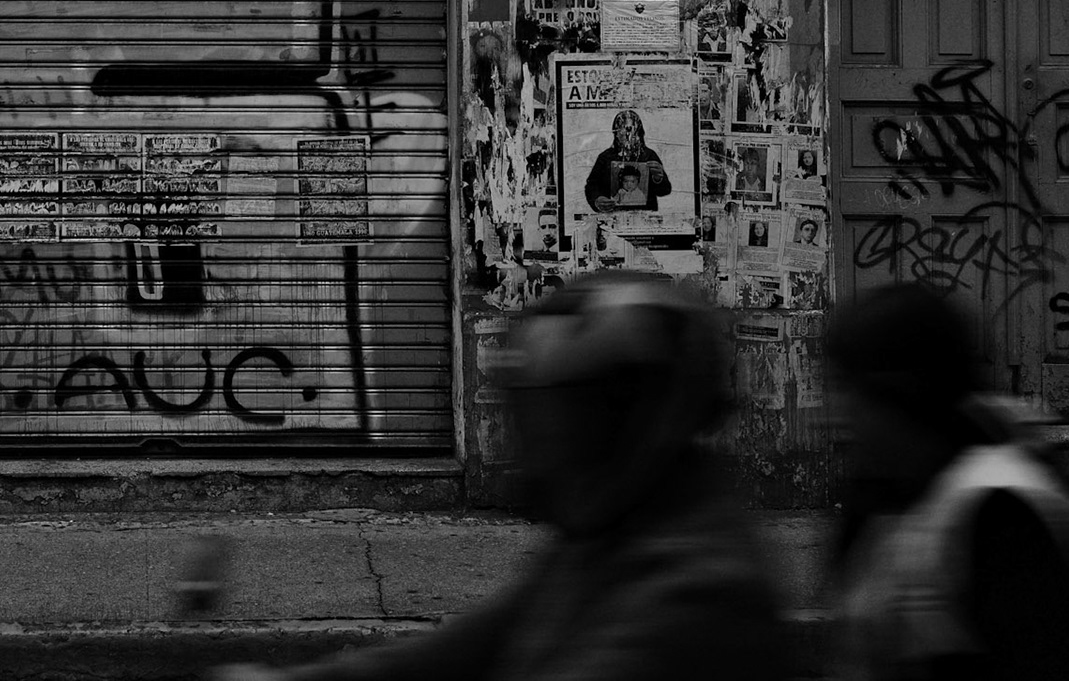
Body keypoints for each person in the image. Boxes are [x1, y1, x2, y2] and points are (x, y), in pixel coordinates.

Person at [211, 273, 785, 681]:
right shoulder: (604, 541)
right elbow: (465, 648)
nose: (548, 450)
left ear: (644, 421)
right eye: (538, 418)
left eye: (573, 420)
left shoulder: (701, 594)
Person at [826, 282, 1069, 681]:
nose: (839, 415)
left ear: (901, 395)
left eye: (850, 392)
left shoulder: (1001, 511)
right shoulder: (882, 490)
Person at [584, 110, 672, 212]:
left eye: (632, 131)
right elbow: (592, 185)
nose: (628, 136)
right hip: (612, 216)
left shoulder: (649, 156)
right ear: (616, 133)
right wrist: (597, 200)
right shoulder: (605, 157)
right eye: (622, 131)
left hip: (644, 216)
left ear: (639, 133)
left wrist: (658, 179)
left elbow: (664, 190)